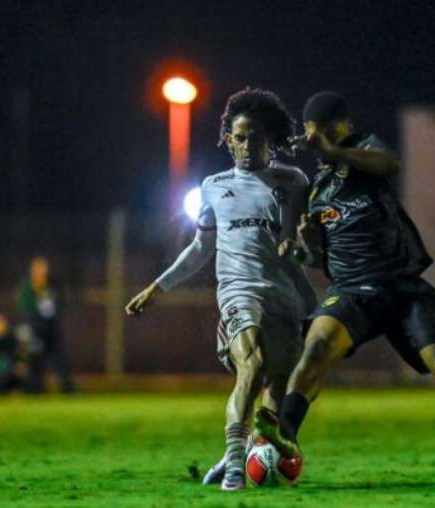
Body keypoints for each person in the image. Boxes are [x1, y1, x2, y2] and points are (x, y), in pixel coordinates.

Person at [257, 91, 435, 482]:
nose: (319, 140)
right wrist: (305, 247)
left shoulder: (365, 152)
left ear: (345, 127)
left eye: (326, 132)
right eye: (313, 135)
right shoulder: (316, 191)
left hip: (403, 290)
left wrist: (336, 152)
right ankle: (284, 438)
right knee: (317, 347)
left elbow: (389, 164)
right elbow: (324, 260)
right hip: (352, 292)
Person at [125, 88, 316, 491]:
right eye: (239, 137)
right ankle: (234, 468)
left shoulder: (294, 181)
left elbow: (306, 245)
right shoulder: (214, 186)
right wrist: (156, 288)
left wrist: (298, 248)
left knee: (275, 391)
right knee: (254, 362)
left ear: (271, 137)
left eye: (256, 137)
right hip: (237, 292)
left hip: (286, 297)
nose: (247, 146)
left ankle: (248, 453)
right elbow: (199, 249)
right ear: (227, 138)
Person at [17, 257, 75, 393]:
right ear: (32, 270)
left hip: (52, 330)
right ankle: (35, 391)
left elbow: (61, 304)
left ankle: (68, 391)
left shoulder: (53, 285)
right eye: (38, 268)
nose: (41, 271)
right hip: (36, 330)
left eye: (43, 268)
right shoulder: (27, 287)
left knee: (60, 361)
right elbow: (24, 308)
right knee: (35, 363)